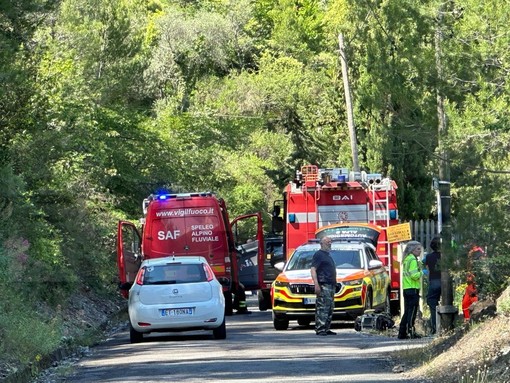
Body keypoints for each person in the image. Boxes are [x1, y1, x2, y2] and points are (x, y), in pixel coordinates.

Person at [398, 241, 427, 339]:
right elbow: (414, 276)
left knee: (407, 311)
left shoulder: (406, 259)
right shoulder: (412, 260)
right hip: (413, 288)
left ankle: (402, 332)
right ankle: (410, 331)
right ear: (412, 250)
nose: (420, 251)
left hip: (406, 288)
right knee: (412, 312)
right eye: (418, 249)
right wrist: (422, 272)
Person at [311, 236, 337, 336]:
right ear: (321, 243)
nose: (330, 244)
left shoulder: (327, 255)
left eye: (330, 242)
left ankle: (326, 328)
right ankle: (320, 328)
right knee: (323, 308)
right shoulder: (319, 255)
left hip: (331, 285)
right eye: (327, 242)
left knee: (330, 307)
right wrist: (316, 284)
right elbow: (313, 269)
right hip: (323, 284)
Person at [423, 236, 441, 334]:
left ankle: (435, 327)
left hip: (434, 281)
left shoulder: (428, 257)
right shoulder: (445, 256)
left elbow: (428, 270)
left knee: (432, 302)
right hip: (445, 283)